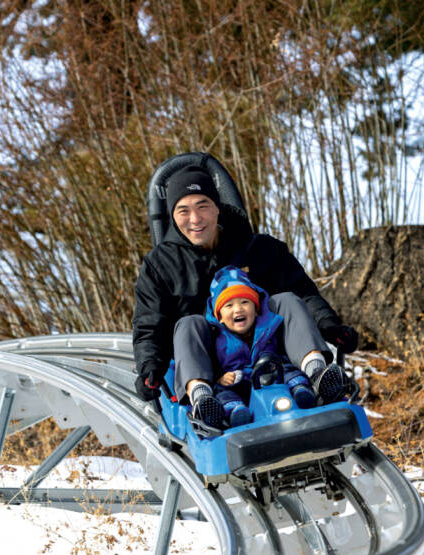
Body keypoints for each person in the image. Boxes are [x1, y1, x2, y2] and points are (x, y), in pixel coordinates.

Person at [132, 163, 358, 427]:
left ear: (218, 206)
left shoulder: (260, 249)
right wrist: (150, 368)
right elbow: (150, 325)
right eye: (184, 210)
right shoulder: (160, 265)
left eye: (202, 206)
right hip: (213, 366)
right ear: (173, 216)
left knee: (285, 299)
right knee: (188, 323)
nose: (195, 219)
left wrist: (329, 326)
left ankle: (317, 374)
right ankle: (203, 399)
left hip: (272, 353)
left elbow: (303, 293)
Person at [191, 265, 322, 429]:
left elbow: (285, 347)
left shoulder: (269, 327)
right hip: (238, 386)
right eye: (229, 306)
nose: (238, 309)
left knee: (288, 370)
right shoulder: (217, 338)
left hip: (272, 381)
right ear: (220, 318)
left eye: (245, 302)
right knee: (224, 394)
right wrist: (221, 378)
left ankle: (301, 389)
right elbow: (212, 366)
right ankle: (235, 412)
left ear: (256, 309)